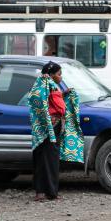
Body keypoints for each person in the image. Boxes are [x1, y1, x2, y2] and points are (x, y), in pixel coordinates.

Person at [27, 61, 83, 201]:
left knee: (47, 159)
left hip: (52, 126)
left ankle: (46, 192)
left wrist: (63, 94)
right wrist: (50, 117)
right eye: (59, 74)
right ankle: (46, 193)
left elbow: (52, 102)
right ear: (51, 75)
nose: (61, 77)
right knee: (46, 159)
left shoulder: (50, 86)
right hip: (47, 128)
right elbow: (39, 101)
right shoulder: (44, 85)